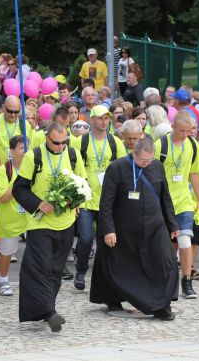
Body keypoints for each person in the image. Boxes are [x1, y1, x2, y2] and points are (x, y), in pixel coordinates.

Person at [90, 138, 179, 320]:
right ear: (133, 153)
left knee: (165, 262)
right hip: (125, 229)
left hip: (155, 226)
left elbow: (165, 197)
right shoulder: (117, 168)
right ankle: (113, 297)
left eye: (150, 160)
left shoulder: (157, 167)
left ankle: (162, 305)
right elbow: (106, 203)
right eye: (142, 161)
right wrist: (108, 229)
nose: (146, 164)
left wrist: (172, 224)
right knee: (120, 266)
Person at [12, 122, 87, 332]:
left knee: (55, 270)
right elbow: (19, 190)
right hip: (39, 224)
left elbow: (82, 183)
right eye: (56, 143)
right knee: (40, 268)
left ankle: (46, 309)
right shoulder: (32, 156)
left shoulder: (72, 154)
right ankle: (49, 313)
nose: (60, 147)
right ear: (47, 139)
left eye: (64, 142)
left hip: (66, 222)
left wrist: (76, 201)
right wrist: (38, 204)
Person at [70, 106, 126, 291]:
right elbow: (71, 170)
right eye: (100, 118)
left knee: (106, 240)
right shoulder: (81, 142)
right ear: (92, 120)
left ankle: (103, 274)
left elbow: (122, 169)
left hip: (108, 201)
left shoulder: (115, 142)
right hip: (86, 199)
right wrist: (75, 198)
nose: (104, 122)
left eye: (107, 118)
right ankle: (80, 271)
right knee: (86, 238)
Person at [154, 112, 199, 298]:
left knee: (185, 240)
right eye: (181, 131)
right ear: (173, 127)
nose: (185, 135)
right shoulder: (161, 145)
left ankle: (187, 281)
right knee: (166, 244)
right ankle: (165, 279)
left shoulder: (193, 145)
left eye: (189, 131)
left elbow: (196, 173)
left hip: (184, 201)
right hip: (163, 202)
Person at [0, 135, 27, 296]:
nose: (24, 151)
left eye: (26, 147)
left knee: (36, 251)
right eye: (21, 148)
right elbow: (3, 197)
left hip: (30, 217)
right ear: (12, 151)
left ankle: (32, 282)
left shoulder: (33, 166)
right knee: (7, 251)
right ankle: (3, 280)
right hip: (10, 218)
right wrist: (18, 182)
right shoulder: (5, 169)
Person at [0, 95, 32, 168]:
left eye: (16, 112)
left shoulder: (25, 125)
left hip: (18, 171)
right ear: (4, 107)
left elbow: (30, 150)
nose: (13, 115)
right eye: (10, 111)